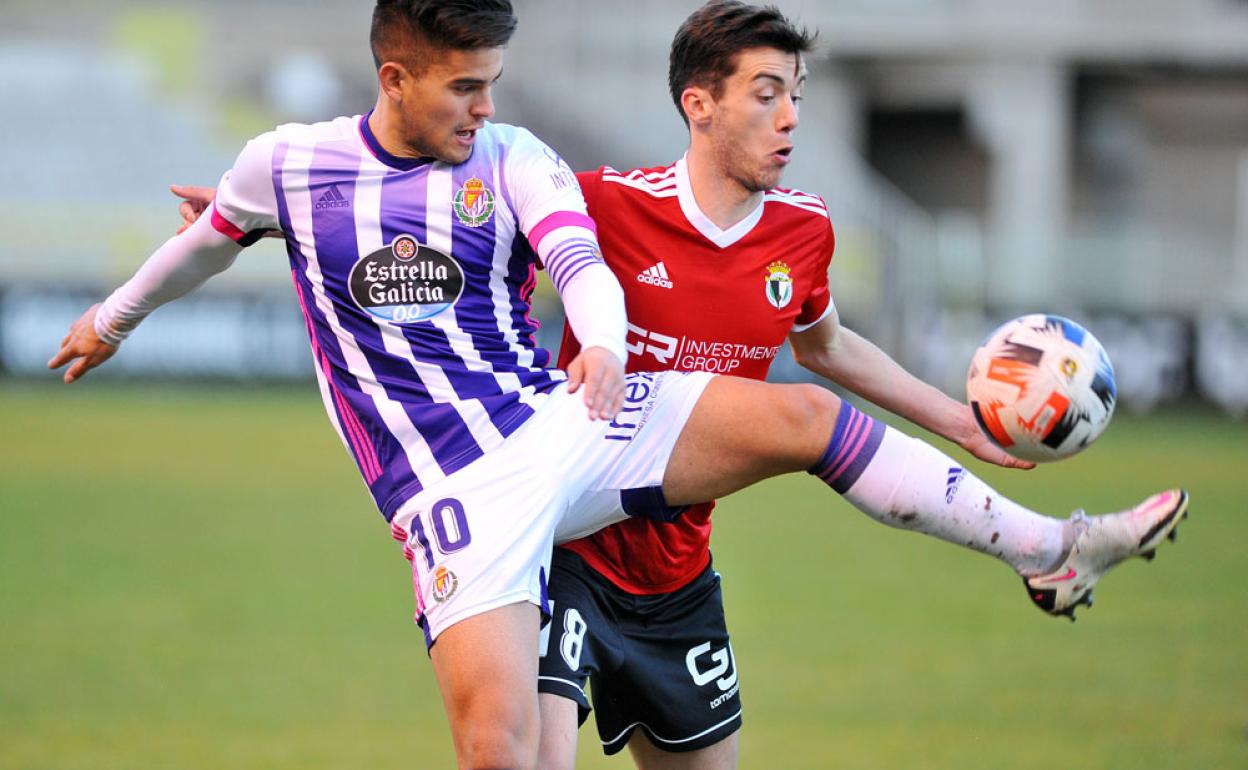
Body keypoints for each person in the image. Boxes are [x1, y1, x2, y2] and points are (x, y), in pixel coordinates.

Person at [51, 2, 1189, 768]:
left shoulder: (521, 156)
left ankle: (1050, 542)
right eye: (465, 86)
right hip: (457, 497)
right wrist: (114, 316)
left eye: (494, 82)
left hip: (567, 427)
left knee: (803, 412)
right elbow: (217, 230)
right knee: (504, 753)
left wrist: (600, 340)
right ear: (394, 76)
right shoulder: (291, 165)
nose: (487, 106)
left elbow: (577, 255)